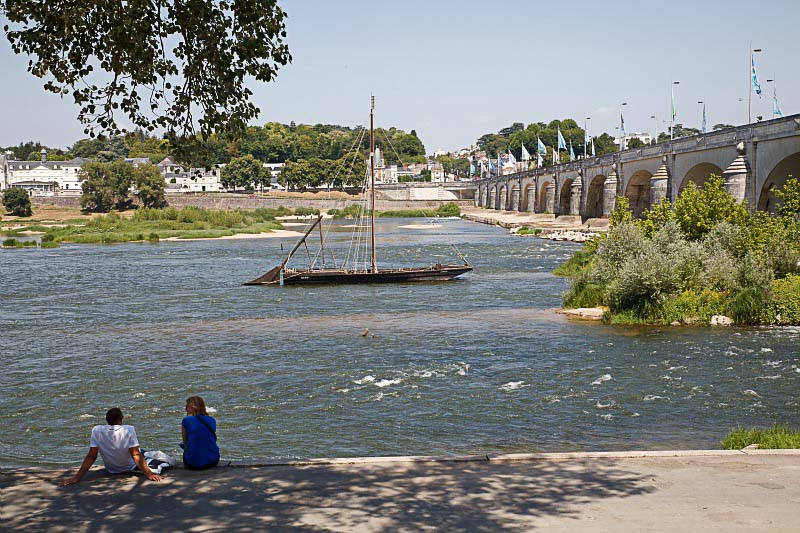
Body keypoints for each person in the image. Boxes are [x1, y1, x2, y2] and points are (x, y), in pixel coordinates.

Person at [63, 407, 162, 485]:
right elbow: (135, 454)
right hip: (129, 467)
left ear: (107, 420)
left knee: (142, 451)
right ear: (121, 418)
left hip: (111, 469)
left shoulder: (97, 430)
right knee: (158, 457)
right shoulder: (128, 429)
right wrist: (149, 474)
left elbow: (91, 456)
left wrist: (76, 478)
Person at [181, 396, 220, 470]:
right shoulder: (212, 420)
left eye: (187, 406)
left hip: (192, 464)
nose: (185, 409)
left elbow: (185, 441)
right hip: (212, 461)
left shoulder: (186, 420)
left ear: (193, 407)